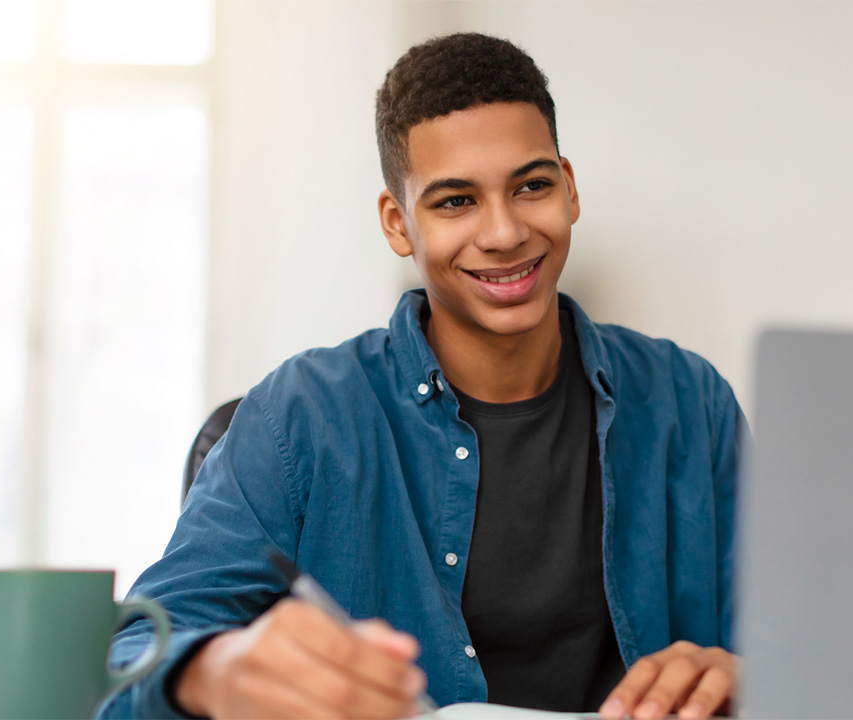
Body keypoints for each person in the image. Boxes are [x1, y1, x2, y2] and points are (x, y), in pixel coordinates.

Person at [97, 32, 748, 720]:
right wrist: (215, 671)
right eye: (454, 202)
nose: (503, 233)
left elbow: (809, 649)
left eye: (531, 186)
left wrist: (745, 674)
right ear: (396, 223)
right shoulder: (300, 418)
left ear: (570, 187)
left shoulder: (692, 403)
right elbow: (128, 653)